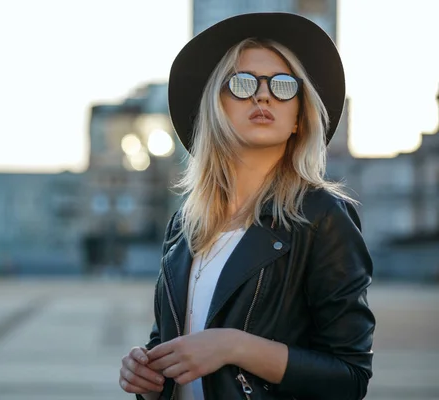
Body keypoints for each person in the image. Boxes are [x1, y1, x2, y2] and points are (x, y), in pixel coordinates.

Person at [118, 12, 375, 400]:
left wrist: (235, 347)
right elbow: (171, 344)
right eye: (242, 83)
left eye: (284, 85)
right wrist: (148, 377)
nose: (263, 94)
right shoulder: (185, 225)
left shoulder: (322, 215)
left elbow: (349, 377)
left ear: (297, 119)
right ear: (215, 107)